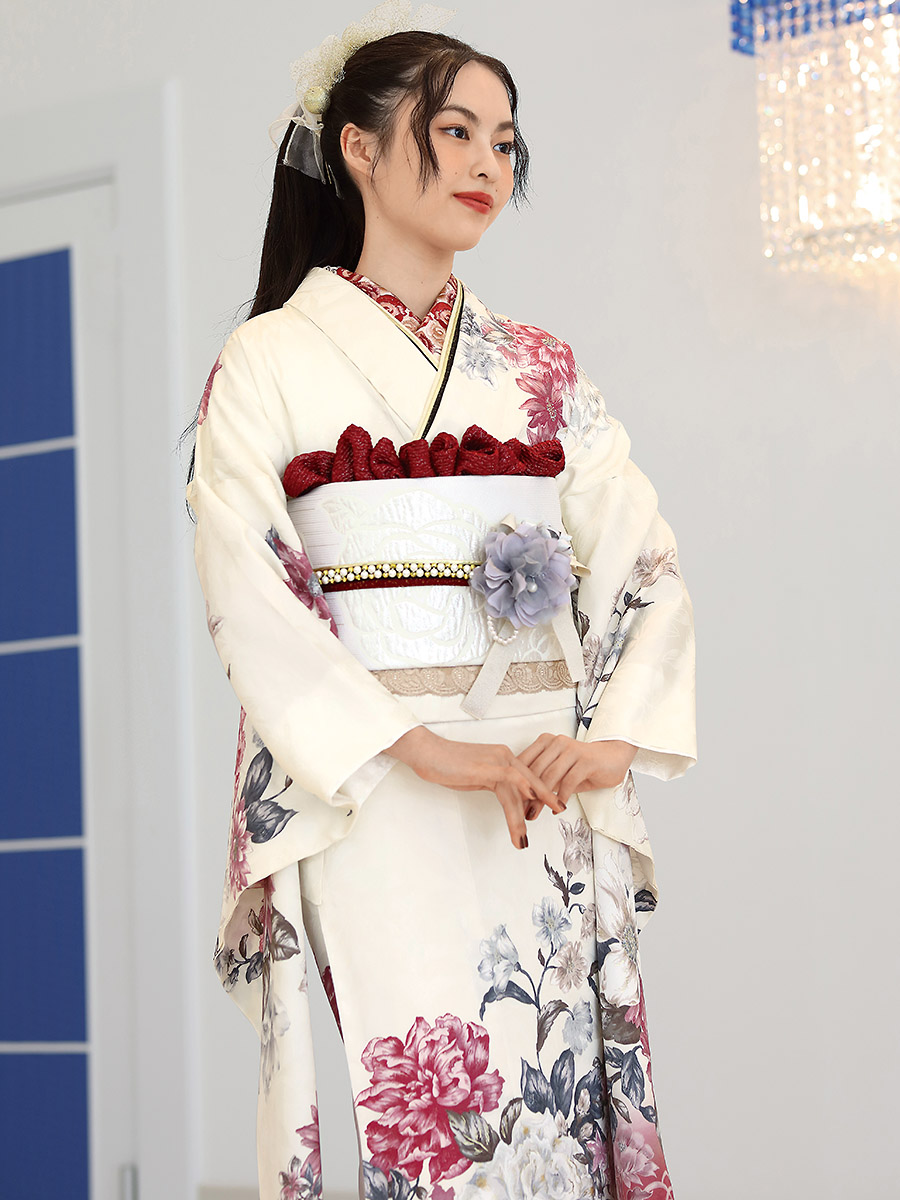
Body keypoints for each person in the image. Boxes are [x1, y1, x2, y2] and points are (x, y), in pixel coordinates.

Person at [185, 5, 697, 1198]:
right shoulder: (268, 359)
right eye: (455, 130)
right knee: (432, 1123)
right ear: (359, 148)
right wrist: (420, 747)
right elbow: (250, 579)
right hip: (378, 790)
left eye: (504, 142)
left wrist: (613, 734)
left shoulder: (540, 366)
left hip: (542, 780)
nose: (487, 163)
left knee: (560, 1118)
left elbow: (642, 555)